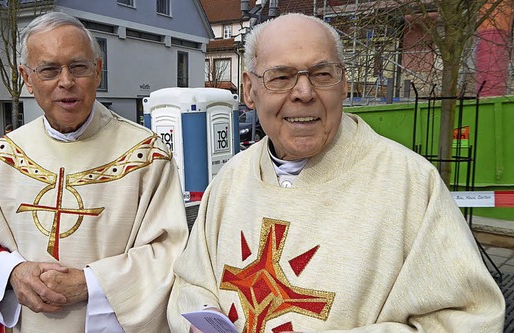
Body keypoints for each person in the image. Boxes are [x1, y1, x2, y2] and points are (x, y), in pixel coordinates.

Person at [167, 13, 505, 332]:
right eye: (281, 77)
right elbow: (192, 281)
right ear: (249, 90)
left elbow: (468, 320)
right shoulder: (232, 178)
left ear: (344, 83)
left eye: (322, 74)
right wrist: (203, 319)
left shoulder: (410, 184)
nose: (303, 92)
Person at [0, 11, 188, 333]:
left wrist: (93, 283)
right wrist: (12, 272)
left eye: (78, 67)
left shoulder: (147, 155)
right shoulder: (4, 156)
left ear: (98, 71)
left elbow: (171, 252)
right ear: (27, 77)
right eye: (49, 70)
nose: (66, 82)